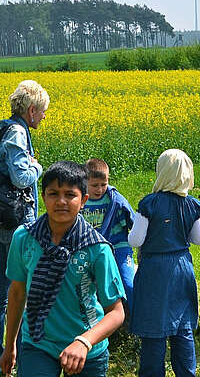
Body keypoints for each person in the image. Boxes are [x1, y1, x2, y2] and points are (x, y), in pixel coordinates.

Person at [0, 161, 125, 377]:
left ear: (84, 200)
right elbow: (17, 292)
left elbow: (116, 312)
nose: (61, 201)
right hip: (38, 343)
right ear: (43, 196)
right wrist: (10, 345)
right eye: (53, 193)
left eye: (70, 194)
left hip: (88, 348)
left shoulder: (97, 248)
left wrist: (84, 342)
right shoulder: (24, 238)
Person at [128, 149, 200, 377]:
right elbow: (198, 239)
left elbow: (136, 239)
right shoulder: (192, 205)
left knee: (154, 328)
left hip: (155, 268)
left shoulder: (150, 203)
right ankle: (186, 372)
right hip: (182, 266)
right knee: (182, 325)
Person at [0, 80, 49, 354]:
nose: (43, 116)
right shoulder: (17, 133)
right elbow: (21, 178)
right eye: (42, 111)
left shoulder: (3, 127)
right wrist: (37, 166)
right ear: (31, 110)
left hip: (2, 219)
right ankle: (21, 350)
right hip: (15, 225)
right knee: (21, 290)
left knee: (2, 294)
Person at [82, 159, 135, 311]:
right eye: (94, 185)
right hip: (90, 249)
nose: (100, 189)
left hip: (119, 247)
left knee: (127, 283)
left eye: (103, 184)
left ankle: (137, 323)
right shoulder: (80, 201)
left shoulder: (115, 199)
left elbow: (133, 221)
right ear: (85, 182)